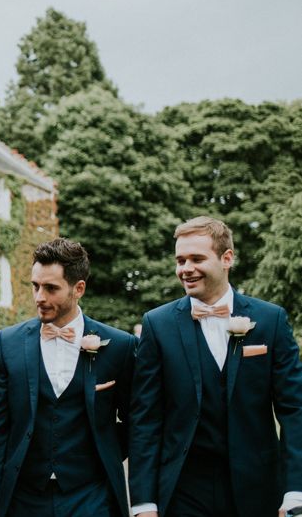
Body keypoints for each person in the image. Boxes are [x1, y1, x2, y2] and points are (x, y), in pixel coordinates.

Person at [129, 216, 302, 517]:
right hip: (183, 490)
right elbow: (146, 418)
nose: (185, 269)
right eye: (180, 260)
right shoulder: (157, 325)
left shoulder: (271, 320)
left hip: (258, 488)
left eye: (197, 258)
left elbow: (294, 410)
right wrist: (144, 503)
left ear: (227, 258)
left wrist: (295, 491)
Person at [0, 237, 136, 517]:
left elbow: (138, 421)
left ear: (78, 288)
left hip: (91, 497)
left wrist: (102, 452)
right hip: (23, 498)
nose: (39, 297)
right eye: (35, 286)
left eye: (51, 288)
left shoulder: (119, 346)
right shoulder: (9, 343)